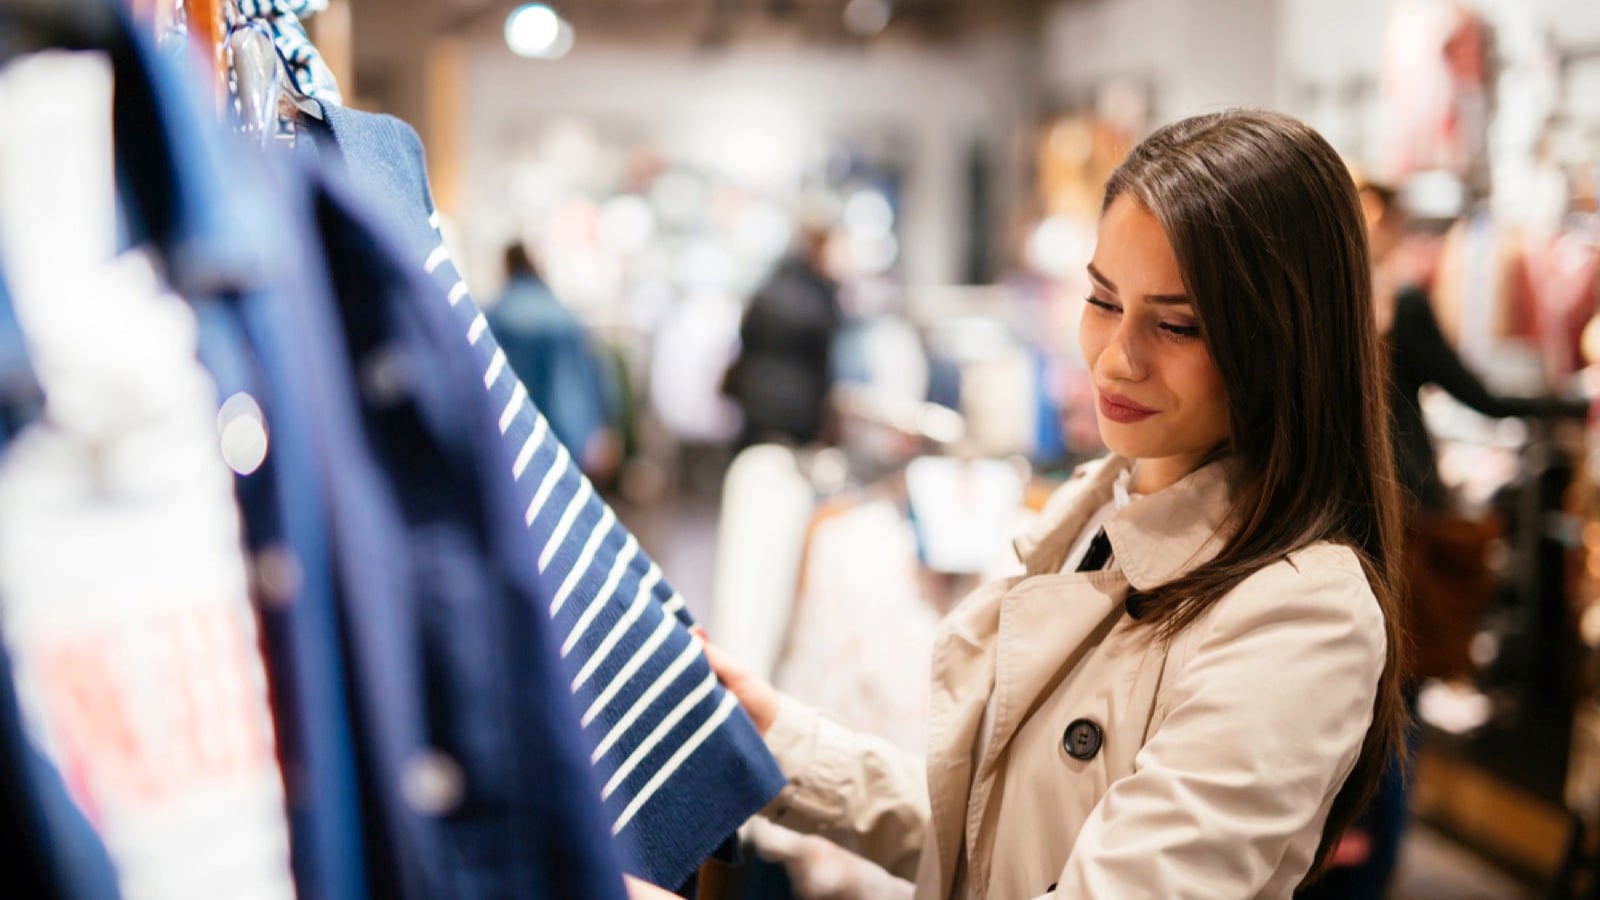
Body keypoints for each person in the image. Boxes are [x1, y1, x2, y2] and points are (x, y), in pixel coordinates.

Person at [637, 109, 1412, 900]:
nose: (1115, 359)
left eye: (1176, 325)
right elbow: (995, 839)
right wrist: (776, 739)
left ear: (1284, 339)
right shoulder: (1095, 510)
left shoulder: (1299, 614)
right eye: (1104, 301)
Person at [1294, 180, 1591, 900]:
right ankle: (1366, 872)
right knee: (1387, 713)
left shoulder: (1335, 309)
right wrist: (1567, 401)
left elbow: (1476, 395)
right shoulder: (1379, 308)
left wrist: (1559, 402)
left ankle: (1360, 870)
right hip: (1388, 530)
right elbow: (1475, 392)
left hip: (1371, 528)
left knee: (1373, 709)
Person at [487, 243, 620, 481]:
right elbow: (579, 381)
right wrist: (593, 433)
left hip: (510, 439)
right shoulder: (561, 315)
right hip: (560, 438)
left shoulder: (495, 315)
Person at [721, 224, 843, 450]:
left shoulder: (770, 286)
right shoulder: (820, 297)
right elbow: (824, 361)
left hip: (755, 399)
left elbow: (746, 336)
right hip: (799, 408)